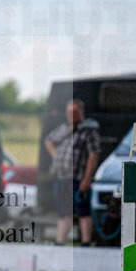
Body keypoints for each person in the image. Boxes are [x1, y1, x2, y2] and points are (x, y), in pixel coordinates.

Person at [45, 99, 101, 246]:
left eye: (75, 112)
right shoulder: (64, 128)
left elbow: (93, 155)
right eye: (69, 112)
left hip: (78, 178)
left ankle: (86, 242)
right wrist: (56, 156)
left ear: (81, 112)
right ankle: (60, 242)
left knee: (83, 212)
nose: (72, 115)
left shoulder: (89, 130)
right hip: (61, 177)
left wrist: (87, 179)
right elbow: (49, 140)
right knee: (63, 212)